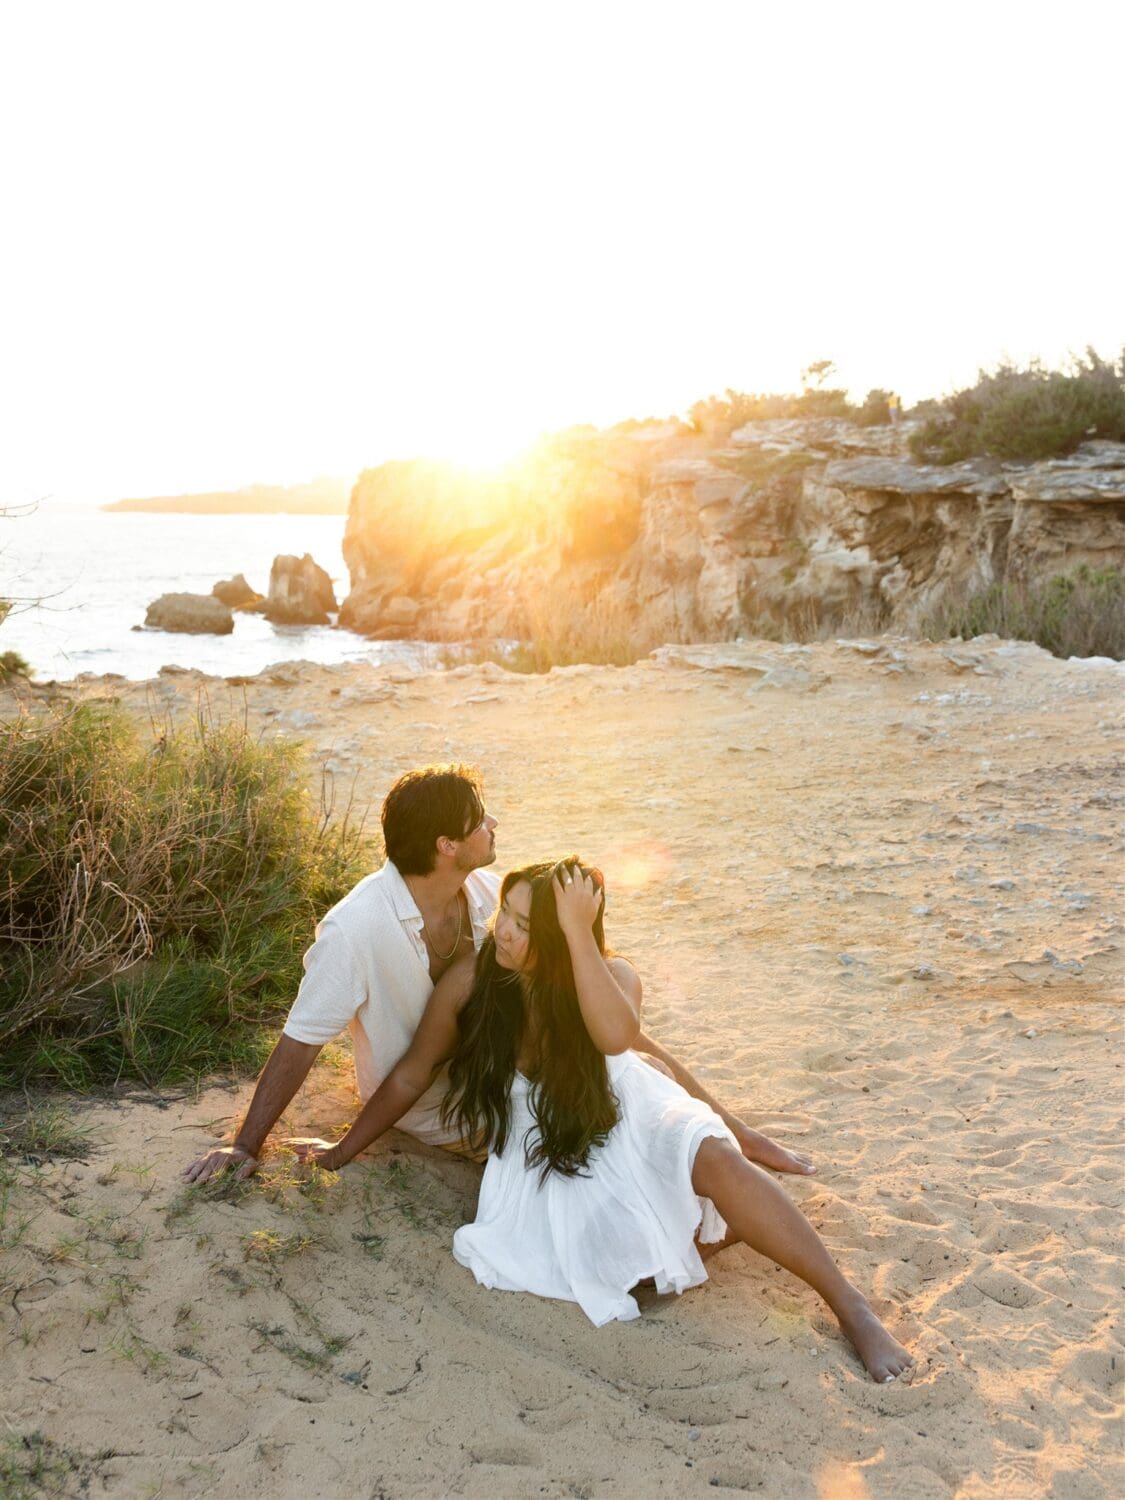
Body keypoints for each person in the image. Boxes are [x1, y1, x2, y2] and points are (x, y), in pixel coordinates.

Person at [292, 858, 914, 1383]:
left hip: (627, 1104)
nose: (500, 930)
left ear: (564, 937)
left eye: (520, 924)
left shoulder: (612, 975)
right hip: (545, 1133)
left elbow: (619, 1042)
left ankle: (851, 1306)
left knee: (716, 1158)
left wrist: (577, 932)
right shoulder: (475, 978)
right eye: (503, 913)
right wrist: (339, 1152)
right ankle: (714, 1228)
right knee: (625, 1279)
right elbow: (410, 1073)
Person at [183, 766, 812, 1185]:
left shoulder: (486, 896)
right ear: (444, 846)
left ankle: (736, 1134)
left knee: (630, 1060)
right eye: (480, 819)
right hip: (442, 1105)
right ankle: (718, 1164)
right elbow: (301, 1040)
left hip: (511, 1066)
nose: (492, 826)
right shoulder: (355, 930)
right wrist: (248, 1145)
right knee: (623, 1131)